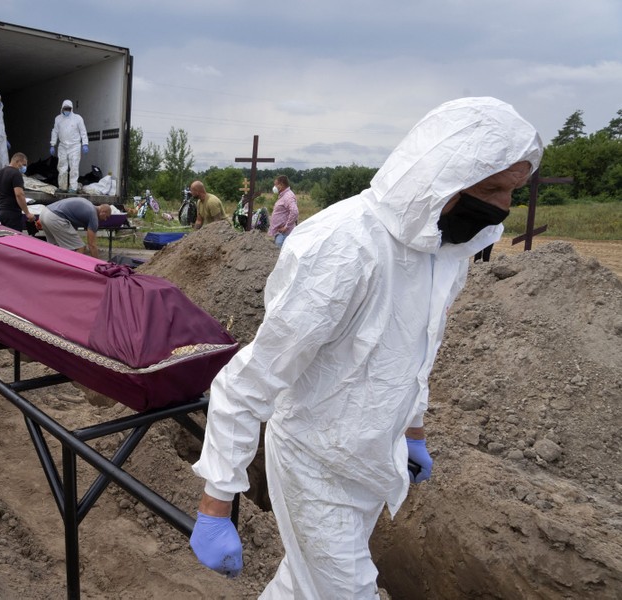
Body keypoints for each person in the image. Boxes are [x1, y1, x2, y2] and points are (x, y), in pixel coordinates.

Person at [189, 97, 542, 597]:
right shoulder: (344, 247)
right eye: (492, 189)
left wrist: (411, 430)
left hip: (372, 457)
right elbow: (251, 379)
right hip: (314, 463)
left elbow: (418, 351)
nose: (503, 206)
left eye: (512, 191)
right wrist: (216, 502)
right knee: (347, 590)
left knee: (301, 585)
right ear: (444, 173)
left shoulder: (447, 250)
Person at [39, 196, 112, 258]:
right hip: (55, 217)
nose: (105, 220)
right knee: (80, 247)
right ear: (103, 212)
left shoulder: (88, 205)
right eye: (106, 217)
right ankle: (73, 271)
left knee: (55, 247)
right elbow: (92, 245)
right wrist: (98, 266)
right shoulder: (93, 217)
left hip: (44, 213)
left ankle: (53, 269)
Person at [49, 99, 89, 192]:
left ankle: (73, 187)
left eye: (68, 108)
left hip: (75, 146)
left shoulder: (78, 118)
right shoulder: (58, 119)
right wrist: (52, 144)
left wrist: (85, 144)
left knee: (74, 167)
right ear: (62, 108)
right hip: (63, 146)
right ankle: (62, 187)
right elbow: (55, 132)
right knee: (62, 167)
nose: (67, 110)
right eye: (65, 108)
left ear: (71, 109)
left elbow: (83, 131)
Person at [0, 152, 33, 233]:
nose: (24, 167)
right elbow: (19, 194)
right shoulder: (16, 174)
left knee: (2, 239)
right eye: (24, 164)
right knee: (14, 240)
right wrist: (27, 213)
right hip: (12, 214)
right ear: (18, 161)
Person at [269, 175, 299, 247]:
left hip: (284, 234)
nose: (274, 187)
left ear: (281, 185)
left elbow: (294, 211)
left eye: (276, 185)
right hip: (280, 233)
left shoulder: (288, 196)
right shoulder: (283, 195)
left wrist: (286, 227)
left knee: (280, 253)